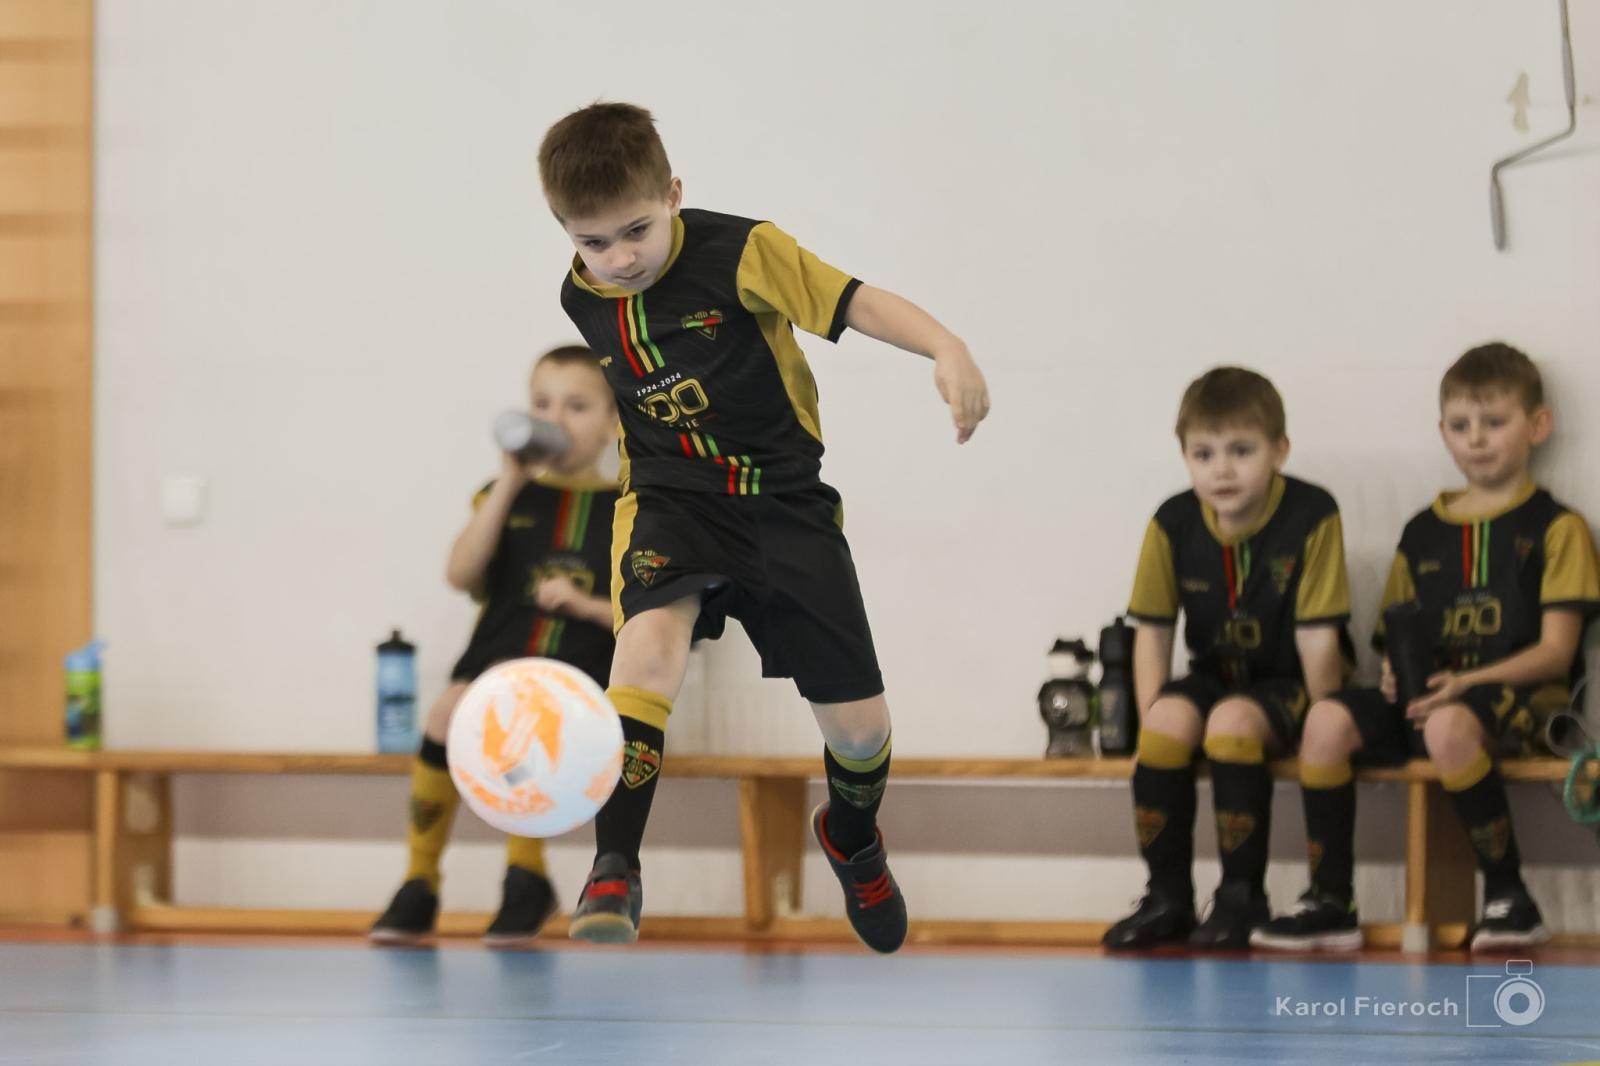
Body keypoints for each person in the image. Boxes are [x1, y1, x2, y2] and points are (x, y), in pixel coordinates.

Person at [537, 101, 990, 953]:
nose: (619, 258)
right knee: (645, 655)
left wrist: (946, 347)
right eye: (593, 241)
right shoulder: (581, 294)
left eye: (636, 231)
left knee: (860, 729)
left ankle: (851, 839)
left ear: (673, 194)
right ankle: (613, 864)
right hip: (670, 499)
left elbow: (856, 302)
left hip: (783, 503)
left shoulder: (743, 251)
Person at [1254, 343, 1600, 953]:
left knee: (1447, 728)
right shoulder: (1421, 531)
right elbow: (1396, 636)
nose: (1477, 439)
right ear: (1443, 433)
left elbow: (1555, 651)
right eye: (1461, 425)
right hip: (1432, 700)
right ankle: (1331, 900)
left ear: (1538, 425)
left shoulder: (1557, 527)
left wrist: (1466, 683)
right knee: (1326, 720)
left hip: (1520, 704)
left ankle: (1510, 898)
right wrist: (1394, 675)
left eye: (1495, 422)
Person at [370, 345, 620, 945]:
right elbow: (460, 574)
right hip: (496, 657)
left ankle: (525, 874)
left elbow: (654, 617)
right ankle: (420, 880)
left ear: (614, 422)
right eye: (542, 404)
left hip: (580, 671)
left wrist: (582, 603)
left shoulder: (628, 506)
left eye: (577, 406)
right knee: (445, 710)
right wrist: (510, 481)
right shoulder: (505, 495)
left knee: (517, 705)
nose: (556, 419)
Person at [1103, 366, 1353, 950]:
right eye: (1204, 454)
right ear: (1185, 456)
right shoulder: (1172, 521)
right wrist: (1152, 721)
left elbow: (1319, 638)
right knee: (1165, 723)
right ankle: (1167, 896)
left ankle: (1242, 896)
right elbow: (1153, 631)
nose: (1222, 469)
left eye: (1241, 451)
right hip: (1214, 676)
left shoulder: (1313, 513)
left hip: (1285, 681)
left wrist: (1320, 721)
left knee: (1231, 722)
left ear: (1279, 450)